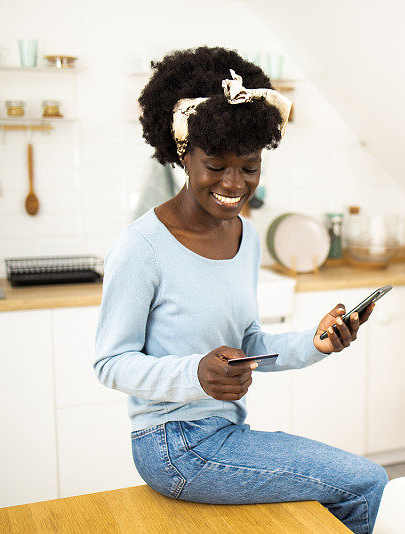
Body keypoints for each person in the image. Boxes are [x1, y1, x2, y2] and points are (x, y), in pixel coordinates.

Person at [93, 46, 388, 534]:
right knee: (366, 482)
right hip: (174, 444)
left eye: (249, 167)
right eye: (216, 165)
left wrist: (316, 344)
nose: (234, 183)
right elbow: (109, 363)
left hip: (225, 431)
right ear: (183, 156)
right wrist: (196, 374)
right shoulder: (141, 247)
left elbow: (248, 345)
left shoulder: (243, 236)